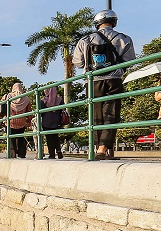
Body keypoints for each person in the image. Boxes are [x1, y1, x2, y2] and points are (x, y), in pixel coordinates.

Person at [73, 9, 136, 160]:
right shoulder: (123, 38)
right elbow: (130, 60)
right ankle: (103, 148)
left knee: (95, 114)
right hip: (114, 79)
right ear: (114, 22)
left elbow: (78, 62)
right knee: (111, 114)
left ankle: (97, 148)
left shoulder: (85, 40)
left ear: (97, 24)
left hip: (92, 81)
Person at [2, 82, 32, 159]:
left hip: (10, 122)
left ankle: (13, 154)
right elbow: (29, 111)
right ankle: (22, 154)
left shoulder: (7, 96)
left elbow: (0, 108)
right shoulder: (26, 98)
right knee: (21, 138)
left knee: (11, 139)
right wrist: (29, 121)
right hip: (21, 122)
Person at [40, 86, 65, 160]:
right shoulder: (60, 100)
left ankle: (52, 154)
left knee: (49, 138)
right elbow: (63, 109)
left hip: (46, 122)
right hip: (57, 122)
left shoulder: (44, 100)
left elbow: (40, 112)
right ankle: (59, 150)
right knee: (55, 137)